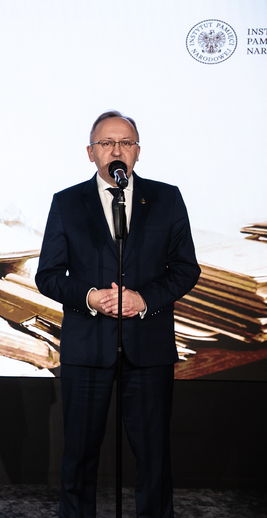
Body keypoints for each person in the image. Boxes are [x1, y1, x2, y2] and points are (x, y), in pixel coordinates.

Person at [35, 110, 200, 518]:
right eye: (107, 143)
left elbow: (185, 269)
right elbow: (49, 275)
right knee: (79, 458)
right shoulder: (67, 202)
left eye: (125, 143)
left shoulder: (166, 198)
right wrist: (90, 296)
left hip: (148, 350)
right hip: (87, 350)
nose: (117, 150)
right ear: (90, 153)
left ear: (138, 152)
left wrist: (143, 300)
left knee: (154, 458)